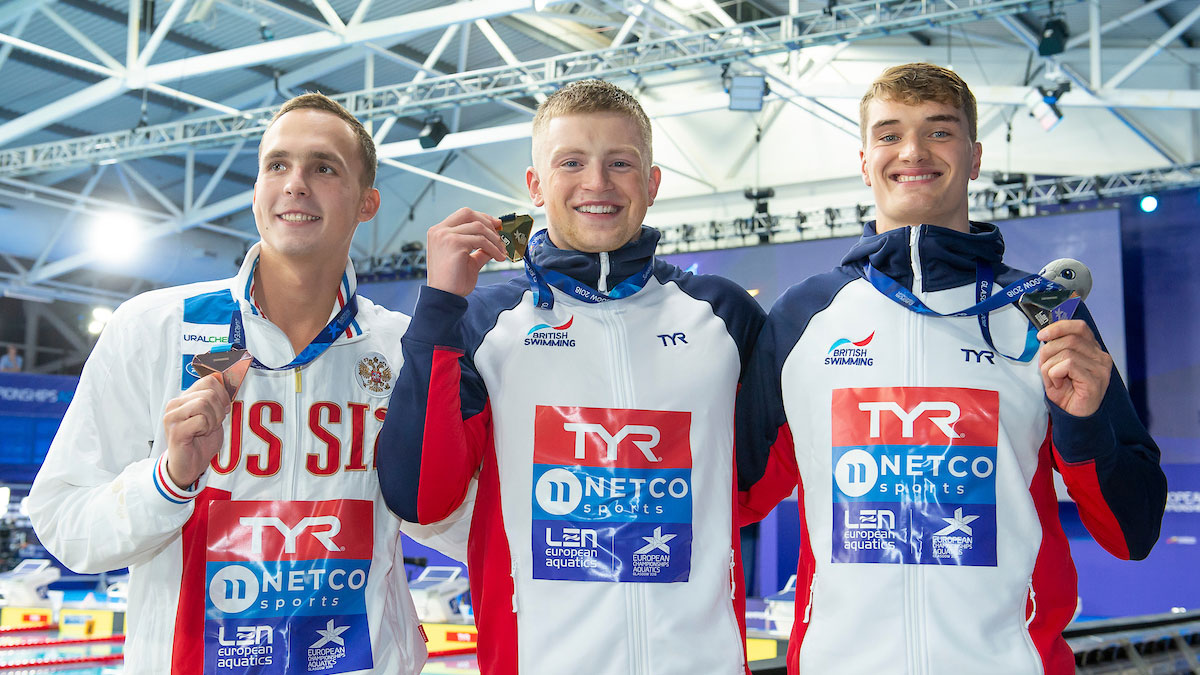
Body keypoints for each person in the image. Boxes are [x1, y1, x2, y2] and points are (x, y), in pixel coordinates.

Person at [736, 63, 1167, 675]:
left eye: (939, 131)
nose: (912, 151)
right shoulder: (805, 314)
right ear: (864, 161)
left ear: (974, 156)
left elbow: (1135, 532)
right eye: (889, 134)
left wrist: (1087, 424)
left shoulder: (1044, 312)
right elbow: (730, 498)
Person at [28, 93, 433, 674]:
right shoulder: (154, 328)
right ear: (256, 191)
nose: (296, 184)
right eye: (277, 165)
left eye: (323, 167)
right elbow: (65, 524)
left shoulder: (401, 347)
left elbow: (453, 516)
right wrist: (167, 481)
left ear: (366, 203)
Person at [376, 79, 765, 675]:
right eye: (572, 163)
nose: (597, 184)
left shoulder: (723, 316)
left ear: (652, 182)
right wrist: (437, 307)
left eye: (620, 163)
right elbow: (421, 497)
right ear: (535, 185)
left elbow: (762, 484)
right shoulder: (484, 322)